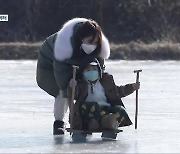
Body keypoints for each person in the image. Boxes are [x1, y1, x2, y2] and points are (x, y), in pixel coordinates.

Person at [36, 18, 110, 135]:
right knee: (62, 90)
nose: (93, 45)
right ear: (81, 38)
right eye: (90, 41)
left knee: (86, 88)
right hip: (50, 64)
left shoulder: (98, 47)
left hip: (76, 62)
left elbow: (99, 68)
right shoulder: (63, 44)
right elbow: (62, 75)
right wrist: (69, 86)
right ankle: (59, 122)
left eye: (96, 42)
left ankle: (85, 118)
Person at [68, 59, 140, 130]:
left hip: (105, 109)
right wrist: (72, 87)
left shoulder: (106, 81)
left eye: (94, 69)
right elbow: (73, 94)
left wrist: (131, 87)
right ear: (83, 73)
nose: (91, 72)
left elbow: (117, 92)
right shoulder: (81, 84)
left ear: (99, 71)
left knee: (120, 110)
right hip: (89, 111)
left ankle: (108, 122)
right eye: (88, 70)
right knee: (95, 107)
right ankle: (96, 123)